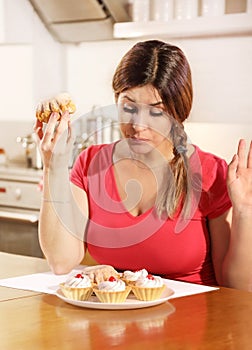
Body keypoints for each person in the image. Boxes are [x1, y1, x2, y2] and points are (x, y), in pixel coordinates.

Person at [34, 40, 252, 291]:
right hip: (115, 323)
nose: (138, 124)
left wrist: (246, 210)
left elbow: (238, 286)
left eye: (156, 111)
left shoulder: (210, 173)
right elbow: (61, 262)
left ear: (179, 112)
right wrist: (54, 166)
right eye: (129, 107)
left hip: (193, 322)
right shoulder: (91, 164)